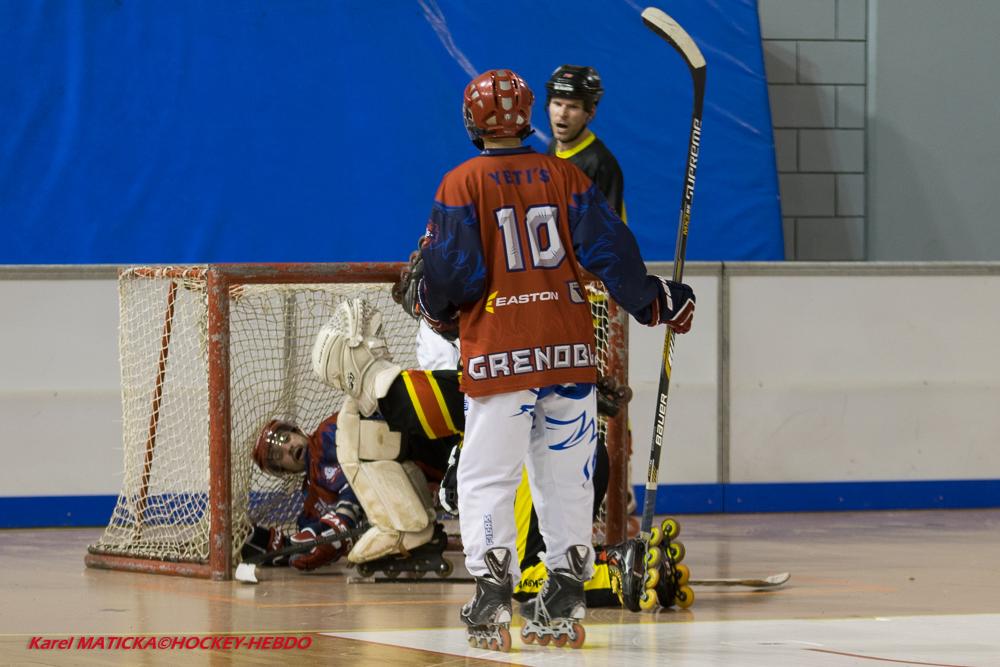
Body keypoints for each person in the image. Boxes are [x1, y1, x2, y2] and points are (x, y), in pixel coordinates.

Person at [414, 69, 696, 651]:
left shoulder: (460, 184)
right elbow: (609, 251)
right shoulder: (565, 174)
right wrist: (656, 302)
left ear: (473, 121)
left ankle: (493, 596)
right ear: (528, 117)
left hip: (499, 357)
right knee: (568, 477)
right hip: (569, 354)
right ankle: (565, 591)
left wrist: (434, 308)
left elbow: (451, 275)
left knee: (488, 475)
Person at [546, 65, 625, 219]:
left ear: (590, 112)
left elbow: (611, 232)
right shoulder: (553, 146)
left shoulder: (601, 164)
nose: (562, 114)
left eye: (573, 107)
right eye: (557, 104)